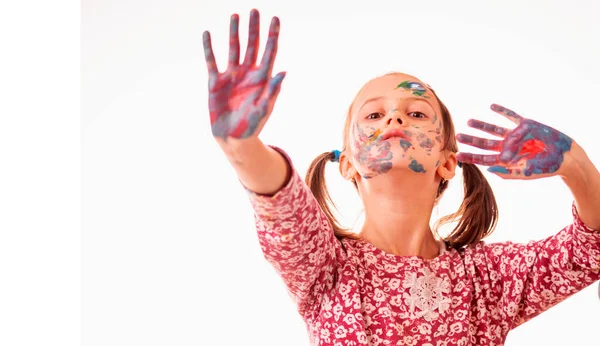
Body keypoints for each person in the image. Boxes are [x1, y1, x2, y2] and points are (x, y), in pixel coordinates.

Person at [202, 9, 600, 346]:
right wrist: (243, 145)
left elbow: (590, 252)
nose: (394, 118)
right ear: (348, 164)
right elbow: (282, 203)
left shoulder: (488, 280)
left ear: (447, 161)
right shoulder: (326, 267)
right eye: (374, 115)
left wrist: (577, 166)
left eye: (417, 113)